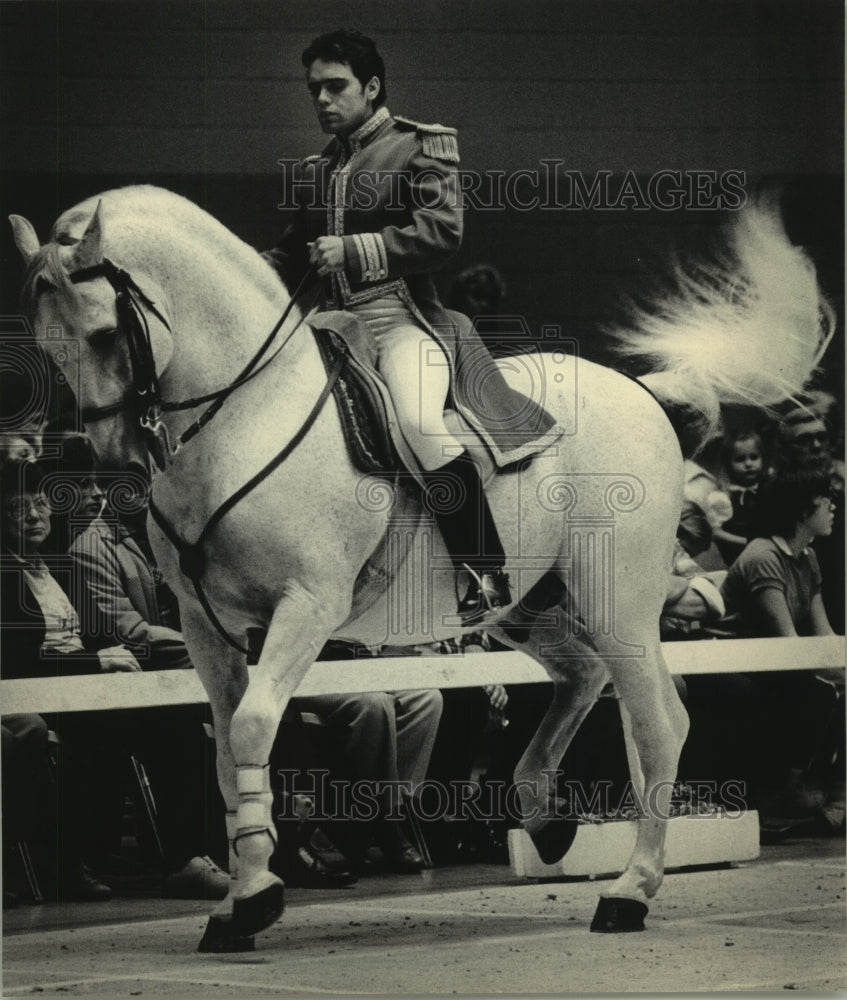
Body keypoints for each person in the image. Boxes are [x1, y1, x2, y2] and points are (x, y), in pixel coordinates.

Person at [266, 29, 562, 623]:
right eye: (314, 90)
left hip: (400, 322)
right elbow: (291, 256)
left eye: (335, 86)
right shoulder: (316, 170)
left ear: (371, 87)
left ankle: (485, 569)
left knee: (420, 424)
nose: (322, 100)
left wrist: (353, 250)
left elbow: (442, 233)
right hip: (331, 330)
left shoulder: (419, 147)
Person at [1, 459, 230, 899]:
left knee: (175, 720)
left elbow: (106, 637)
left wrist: (126, 660)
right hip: (38, 694)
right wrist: (93, 664)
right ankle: (73, 861)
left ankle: (190, 858)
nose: (33, 515)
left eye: (40, 503)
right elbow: (13, 664)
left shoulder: (60, 568)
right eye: (16, 507)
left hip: (91, 690)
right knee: (97, 732)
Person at [718, 469, 844, 832]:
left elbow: (824, 634)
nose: (833, 506)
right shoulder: (763, 556)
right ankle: (784, 791)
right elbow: (787, 643)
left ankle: (836, 791)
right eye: (826, 499)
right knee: (819, 691)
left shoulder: (808, 557)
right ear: (803, 510)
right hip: (735, 661)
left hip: (772, 661)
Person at [713, 427, 770, 566]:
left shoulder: (769, 489)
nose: (749, 464)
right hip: (737, 557)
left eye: (754, 457)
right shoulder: (723, 497)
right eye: (740, 459)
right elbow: (715, 533)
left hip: (768, 555)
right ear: (728, 464)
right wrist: (745, 542)